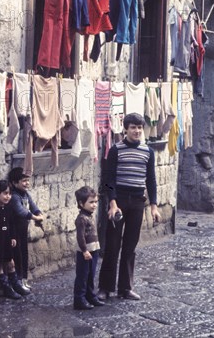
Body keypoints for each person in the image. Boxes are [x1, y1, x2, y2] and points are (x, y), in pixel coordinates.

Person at [98, 113, 161, 301]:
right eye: (133, 127)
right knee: (112, 245)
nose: (137, 131)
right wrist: (112, 203)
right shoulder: (116, 150)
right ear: (126, 129)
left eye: (140, 127)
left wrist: (154, 206)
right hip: (119, 201)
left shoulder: (147, 152)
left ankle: (125, 288)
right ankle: (105, 288)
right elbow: (108, 179)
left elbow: (151, 180)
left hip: (137, 202)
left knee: (130, 246)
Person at [0, 180, 30, 299]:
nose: (8, 196)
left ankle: (15, 284)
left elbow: (12, 223)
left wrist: (13, 236)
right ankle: (6, 287)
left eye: (10, 194)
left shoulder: (8, 207)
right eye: (5, 193)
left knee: (10, 263)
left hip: (6, 239)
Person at [8, 167, 44, 290]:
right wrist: (35, 218)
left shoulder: (25, 194)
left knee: (24, 254)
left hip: (23, 230)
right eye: (23, 181)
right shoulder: (14, 196)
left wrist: (39, 213)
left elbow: (32, 205)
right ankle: (17, 281)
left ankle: (24, 279)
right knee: (16, 255)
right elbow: (21, 211)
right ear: (14, 182)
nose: (27, 183)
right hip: (14, 231)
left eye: (28, 180)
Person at [73, 186, 105, 310]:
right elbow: (80, 237)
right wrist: (84, 251)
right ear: (81, 203)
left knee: (91, 275)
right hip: (85, 251)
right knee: (82, 275)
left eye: (96, 202)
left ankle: (90, 295)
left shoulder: (90, 215)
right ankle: (79, 299)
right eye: (91, 202)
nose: (94, 205)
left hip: (94, 249)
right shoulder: (81, 219)